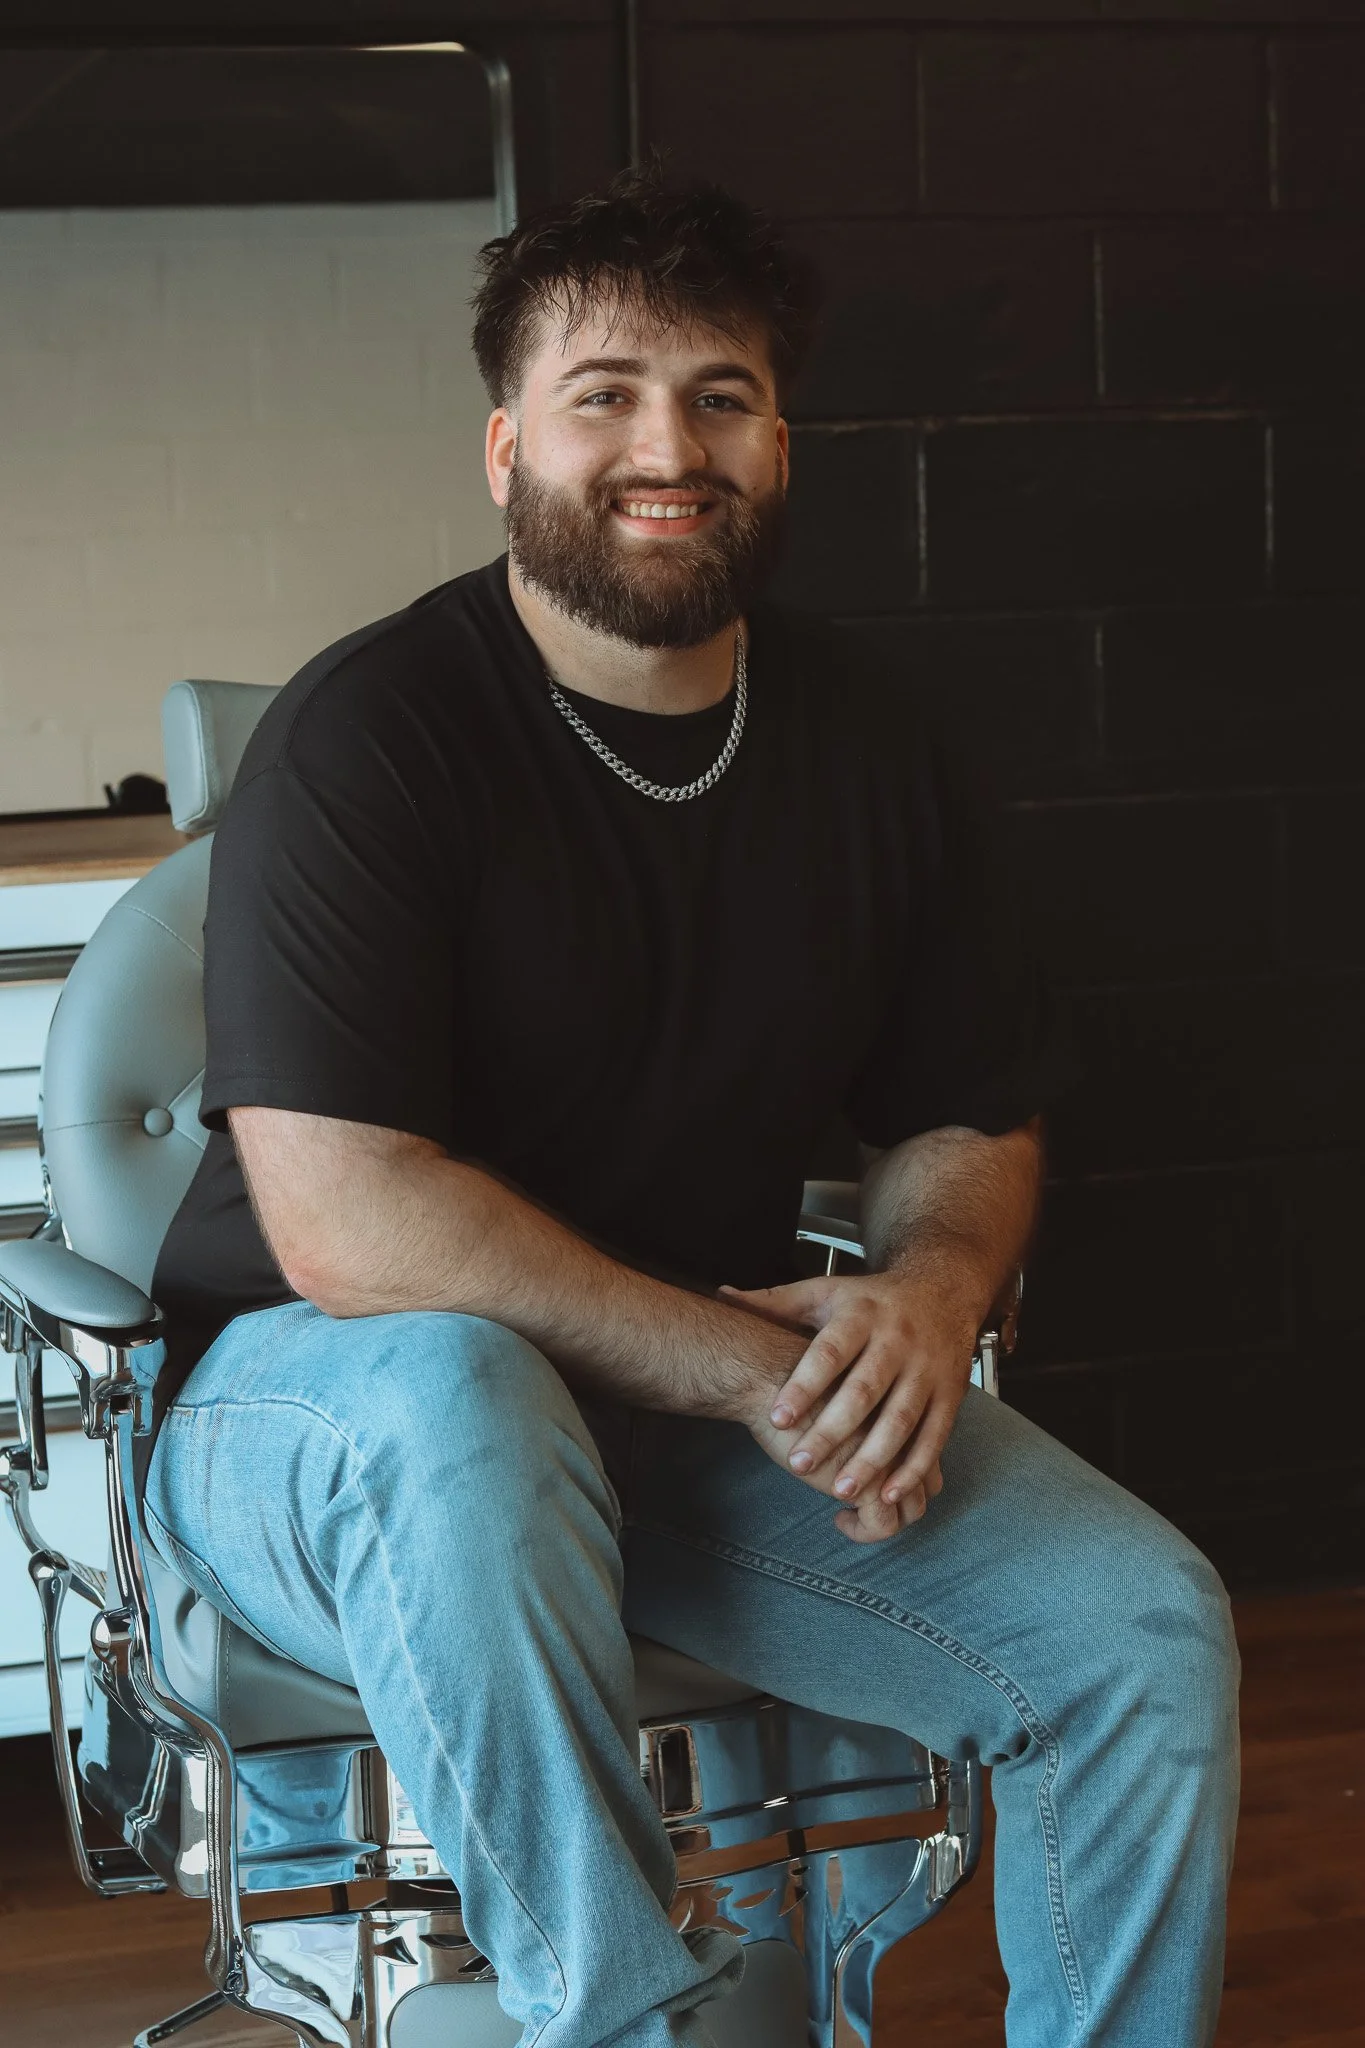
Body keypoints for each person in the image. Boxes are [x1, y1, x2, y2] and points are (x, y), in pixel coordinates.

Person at [147, 165, 1239, 2047]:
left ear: (781, 442)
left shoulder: (873, 742)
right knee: (457, 1385)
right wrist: (755, 1368)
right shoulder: (374, 736)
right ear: (507, 449)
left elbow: (971, 1110)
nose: (672, 446)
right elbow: (349, 1223)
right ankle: (617, 2024)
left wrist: (925, 1293)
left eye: (721, 396)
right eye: (608, 394)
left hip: (663, 1431)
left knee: (1137, 1632)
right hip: (310, 1421)